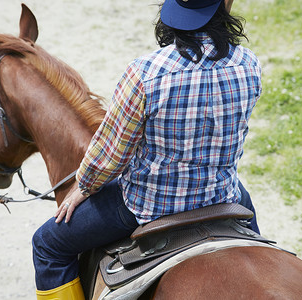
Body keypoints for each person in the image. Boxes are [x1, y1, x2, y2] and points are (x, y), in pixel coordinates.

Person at [32, 0, 262, 298]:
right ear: (225, 5)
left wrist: (84, 186)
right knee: (258, 242)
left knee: (47, 245)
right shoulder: (248, 63)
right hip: (221, 194)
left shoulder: (145, 73)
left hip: (147, 206)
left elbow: (111, 154)